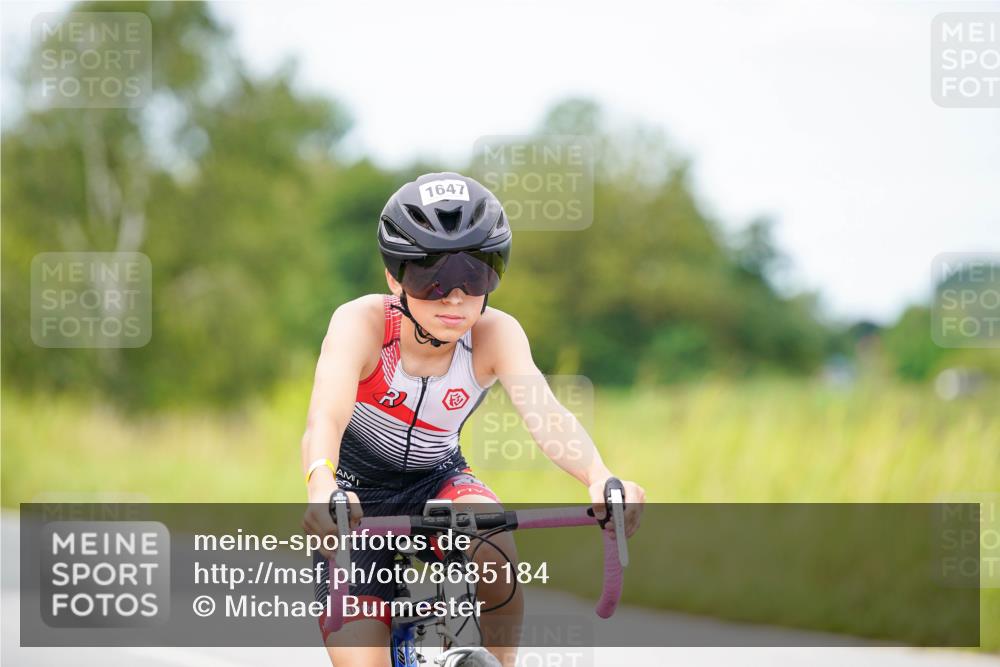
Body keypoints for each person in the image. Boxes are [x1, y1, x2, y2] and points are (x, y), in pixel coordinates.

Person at [300, 172, 645, 667]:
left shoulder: (495, 333)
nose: (455, 297)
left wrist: (600, 477)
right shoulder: (362, 323)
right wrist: (321, 486)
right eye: (431, 276)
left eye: (476, 274)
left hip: (439, 480)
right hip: (354, 500)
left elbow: (545, 413)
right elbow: (325, 416)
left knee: (493, 540)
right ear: (395, 277)